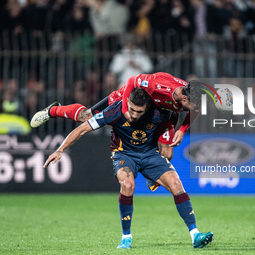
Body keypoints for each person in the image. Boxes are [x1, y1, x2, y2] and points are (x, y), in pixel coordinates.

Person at [43, 88, 214, 249]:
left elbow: (176, 114)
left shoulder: (159, 111)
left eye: (138, 112)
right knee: (128, 185)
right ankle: (126, 237)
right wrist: (60, 150)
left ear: (148, 107)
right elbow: (82, 129)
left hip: (149, 154)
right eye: (131, 109)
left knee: (176, 184)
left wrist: (169, 133)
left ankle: (195, 235)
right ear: (127, 103)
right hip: (124, 155)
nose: (133, 115)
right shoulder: (115, 111)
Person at [30, 72, 203, 147]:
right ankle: (53, 110)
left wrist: (182, 129)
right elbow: (132, 81)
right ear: (184, 98)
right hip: (131, 98)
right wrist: (126, 108)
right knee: (85, 116)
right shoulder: (158, 85)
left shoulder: (190, 95)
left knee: (168, 147)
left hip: (157, 109)